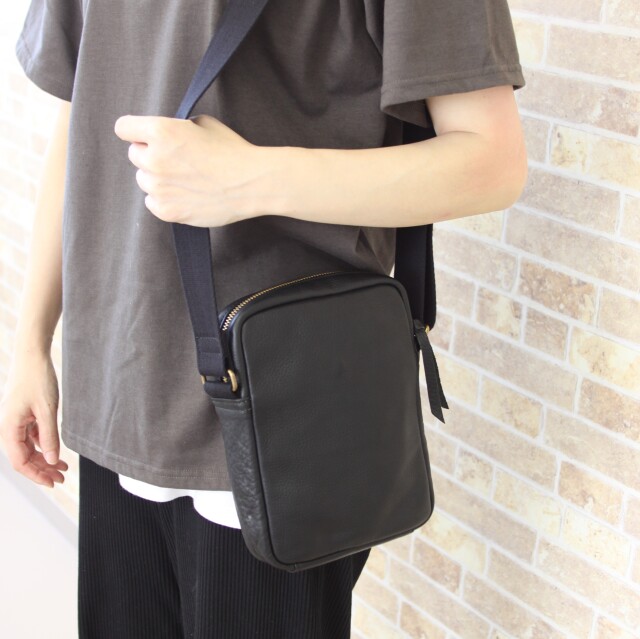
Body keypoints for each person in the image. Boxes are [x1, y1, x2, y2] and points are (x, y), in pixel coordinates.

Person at [0, 0, 527, 637]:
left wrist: (249, 178)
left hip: (279, 417)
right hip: (117, 386)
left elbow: (491, 162)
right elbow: (81, 114)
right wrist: (31, 342)